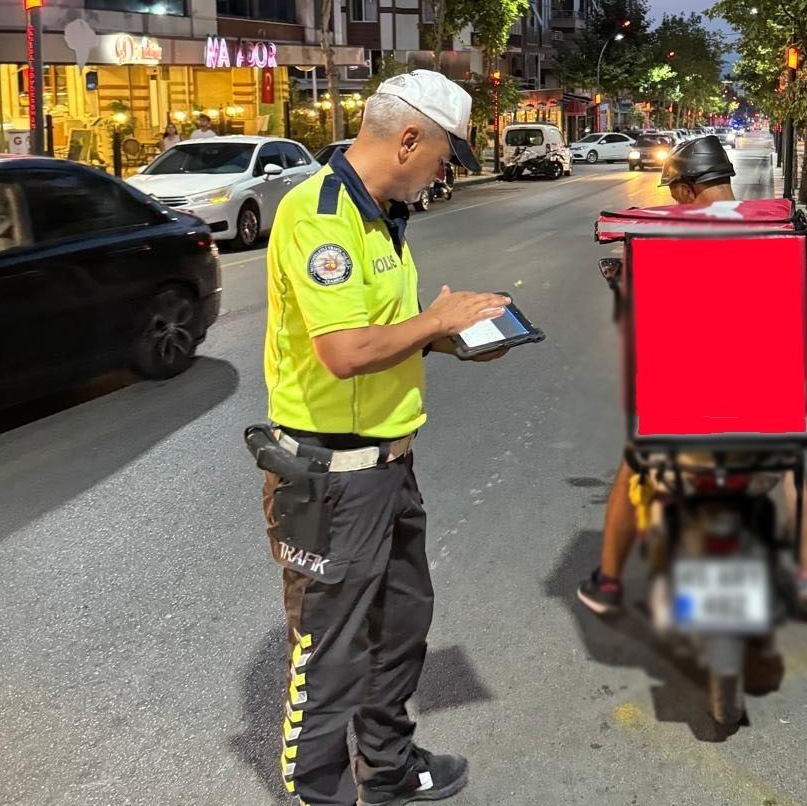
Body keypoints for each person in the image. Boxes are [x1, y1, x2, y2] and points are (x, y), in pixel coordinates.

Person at [258, 70, 510, 806]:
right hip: (330, 479)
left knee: (401, 627)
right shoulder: (323, 215)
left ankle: (389, 769)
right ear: (408, 138)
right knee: (330, 654)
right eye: (442, 157)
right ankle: (321, 792)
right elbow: (343, 352)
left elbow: (380, 335)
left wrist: (449, 338)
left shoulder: (380, 218)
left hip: (389, 465)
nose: (443, 173)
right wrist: (437, 321)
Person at [576, 135, 807, 622]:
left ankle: (608, 582)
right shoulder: (777, 229)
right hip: (765, 402)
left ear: (685, 190)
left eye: (674, 189)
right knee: (793, 470)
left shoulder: (663, 235)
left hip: (680, 406)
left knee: (633, 470)